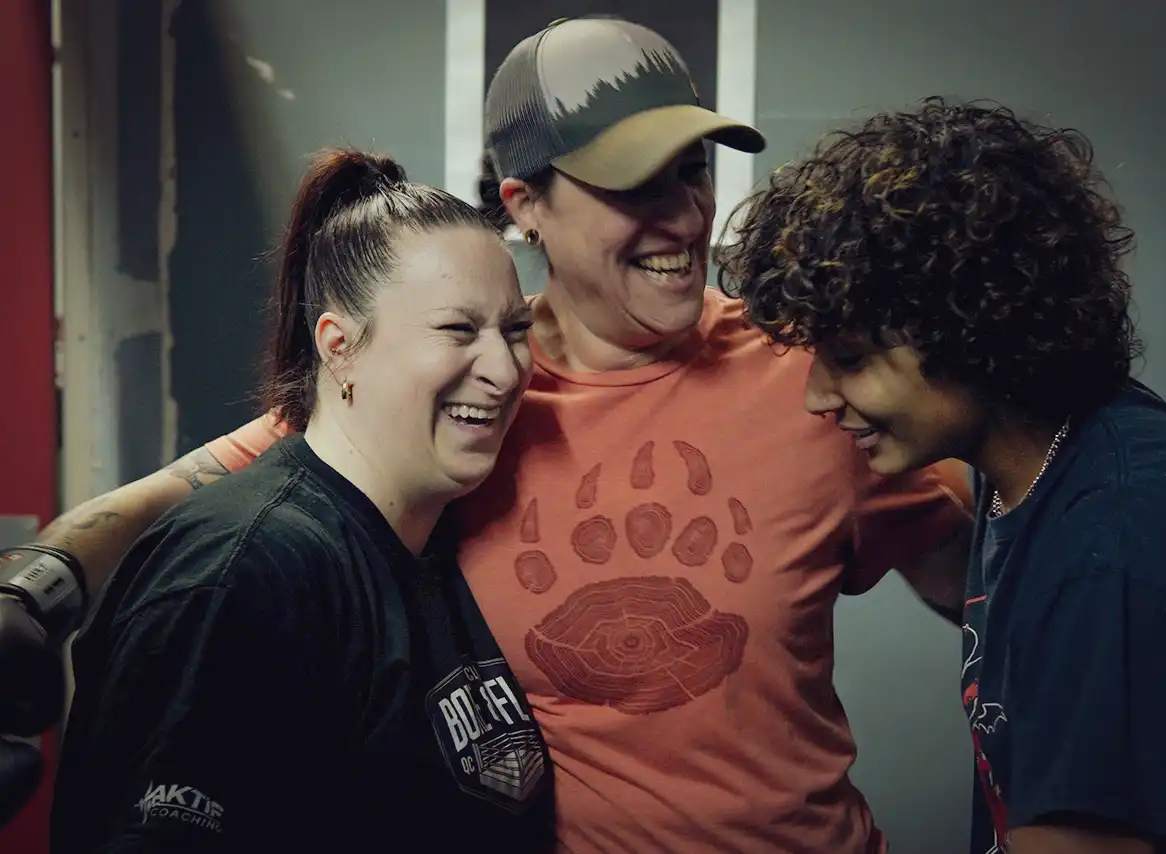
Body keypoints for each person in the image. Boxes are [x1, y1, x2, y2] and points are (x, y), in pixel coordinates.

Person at [3, 17, 974, 852]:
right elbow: (192, 502)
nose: (681, 214)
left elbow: (980, 581)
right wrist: (28, 595)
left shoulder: (809, 379)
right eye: (632, 184)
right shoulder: (462, 400)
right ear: (523, 206)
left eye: (691, 171)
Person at [720, 96, 1166, 854]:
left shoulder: (1116, 544)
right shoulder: (1041, 464)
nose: (817, 396)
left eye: (849, 359)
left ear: (971, 326)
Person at [46, 148, 555, 853]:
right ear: (339, 347)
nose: (504, 369)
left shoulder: (429, 537)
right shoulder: (245, 572)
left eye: (515, 329)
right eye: (457, 329)